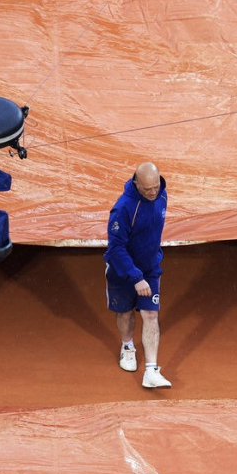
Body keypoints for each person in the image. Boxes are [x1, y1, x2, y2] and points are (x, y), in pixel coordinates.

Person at [105, 162, 170, 388]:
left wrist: (149, 267)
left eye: (156, 186)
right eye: (147, 189)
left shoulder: (162, 195)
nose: (153, 192)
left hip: (150, 270)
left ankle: (151, 370)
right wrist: (135, 277)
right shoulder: (123, 208)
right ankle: (127, 346)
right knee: (125, 314)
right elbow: (115, 249)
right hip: (123, 271)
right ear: (136, 184)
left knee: (151, 314)